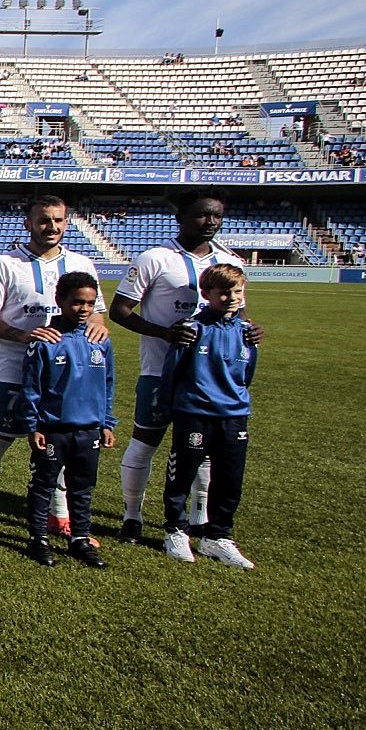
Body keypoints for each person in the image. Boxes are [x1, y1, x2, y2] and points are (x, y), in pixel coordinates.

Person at [108, 189, 262, 544]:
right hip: (159, 371)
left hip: (210, 381)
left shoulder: (230, 261)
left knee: (204, 450)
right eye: (202, 215)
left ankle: (198, 519)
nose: (210, 222)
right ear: (181, 217)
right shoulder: (155, 258)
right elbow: (120, 311)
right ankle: (132, 517)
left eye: (217, 216)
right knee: (145, 442)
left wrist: (250, 331)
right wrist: (165, 333)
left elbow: (236, 313)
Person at [0, 195, 108, 546]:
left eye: (59, 220)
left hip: (68, 380)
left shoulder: (81, 263)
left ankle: (60, 515)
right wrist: (23, 335)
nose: (52, 227)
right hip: (14, 372)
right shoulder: (7, 263)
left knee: (62, 448)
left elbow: (98, 314)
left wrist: (99, 327)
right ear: (28, 223)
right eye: (44, 220)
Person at [158, 263, 259, 569]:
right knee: (183, 474)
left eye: (238, 292)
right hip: (195, 413)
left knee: (230, 479)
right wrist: (170, 407)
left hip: (234, 414)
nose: (232, 298)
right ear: (207, 294)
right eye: (224, 293)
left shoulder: (247, 332)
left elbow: (247, 373)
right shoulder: (192, 329)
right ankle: (175, 530)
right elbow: (171, 372)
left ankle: (218, 536)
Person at [18, 272, 114, 568]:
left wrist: (107, 422)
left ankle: (80, 539)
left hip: (89, 429)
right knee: (43, 485)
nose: (83, 309)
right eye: (76, 302)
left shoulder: (99, 341)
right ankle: (37, 539)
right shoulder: (45, 341)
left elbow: (107, 384)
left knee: (82, 486)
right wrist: (33, 426)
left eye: (89, 303)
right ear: (60, 301)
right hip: (53, 429)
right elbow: (31, 387)